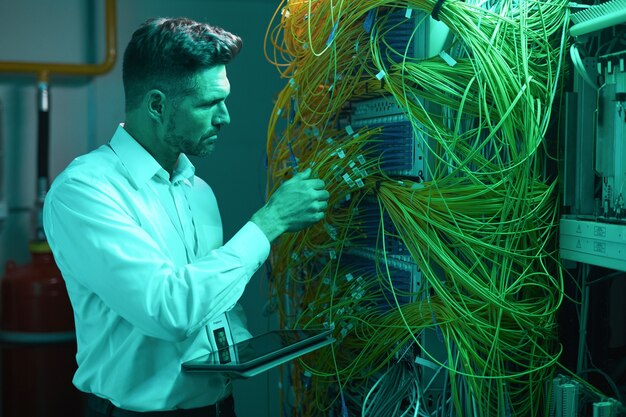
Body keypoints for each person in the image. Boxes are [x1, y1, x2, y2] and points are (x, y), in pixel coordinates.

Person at [43, 17, 330, 417]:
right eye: (209, 103)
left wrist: (244, 344)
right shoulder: (84, 192)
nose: (225, 117)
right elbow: (169, 310)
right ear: (157, 105)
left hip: (218, 406)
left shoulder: (197, 190)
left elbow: (208, 305)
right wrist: (270, 222)